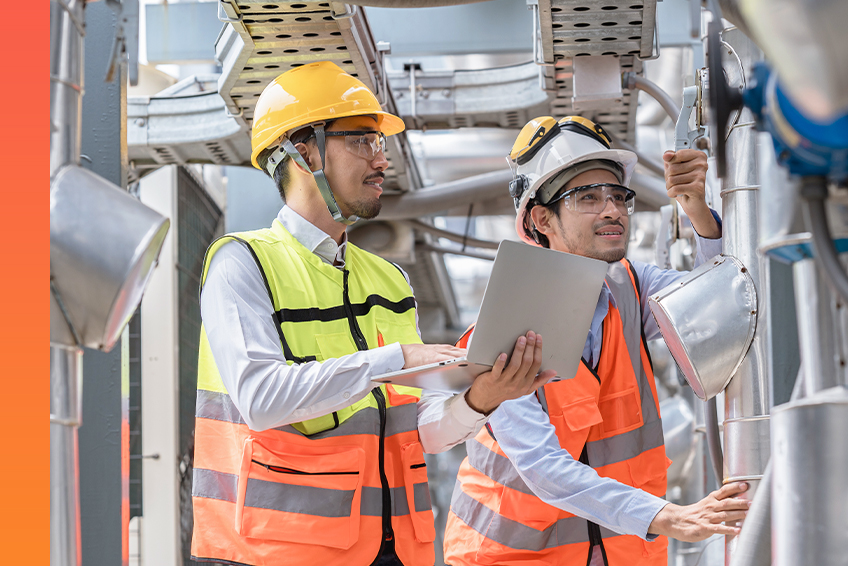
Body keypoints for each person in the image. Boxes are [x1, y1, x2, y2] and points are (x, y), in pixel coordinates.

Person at [189, 61, 556, 566]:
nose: (381, 160)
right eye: (362, 140)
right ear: (303, 151)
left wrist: (482, 398)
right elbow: (260, 399)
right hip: (271, 552)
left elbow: (418, 431)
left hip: (392, 552)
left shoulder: (388, 280)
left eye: (380, 144)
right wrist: (395, 357)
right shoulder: (242, 263)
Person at [443, 116, 750, 566]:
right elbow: (544, 469)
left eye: (618, 196)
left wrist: (697, 211)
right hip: (511, 558)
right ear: (541, 218)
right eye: (587, 198)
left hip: (621, 553)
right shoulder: (501, 334)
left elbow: (723, 303)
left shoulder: (634, 287)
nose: (613, 210)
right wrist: (668, 517)